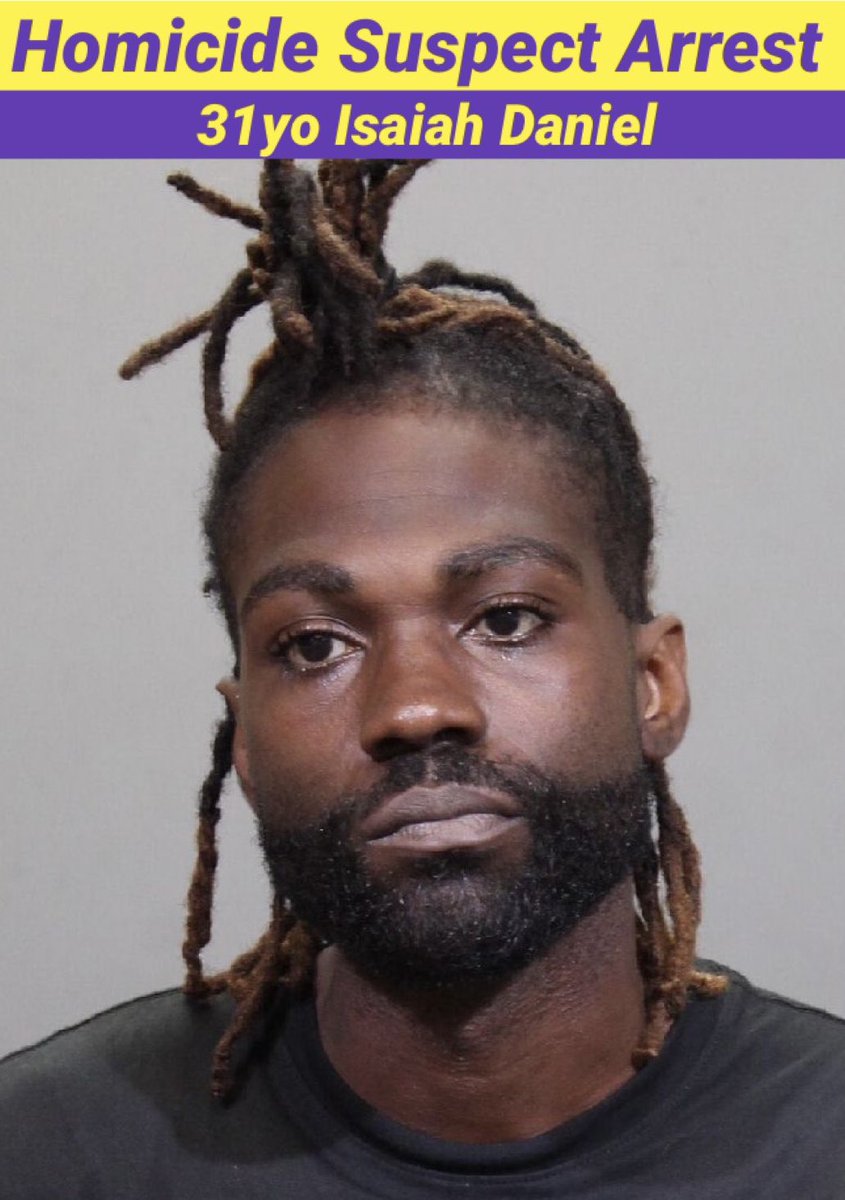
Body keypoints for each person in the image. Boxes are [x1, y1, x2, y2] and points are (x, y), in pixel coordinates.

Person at [1, 159, 843, 1197]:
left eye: (505, 620)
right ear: (244, 739)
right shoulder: (46, 1154)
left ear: (653, 684)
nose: (414, 707)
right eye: (315, 645)